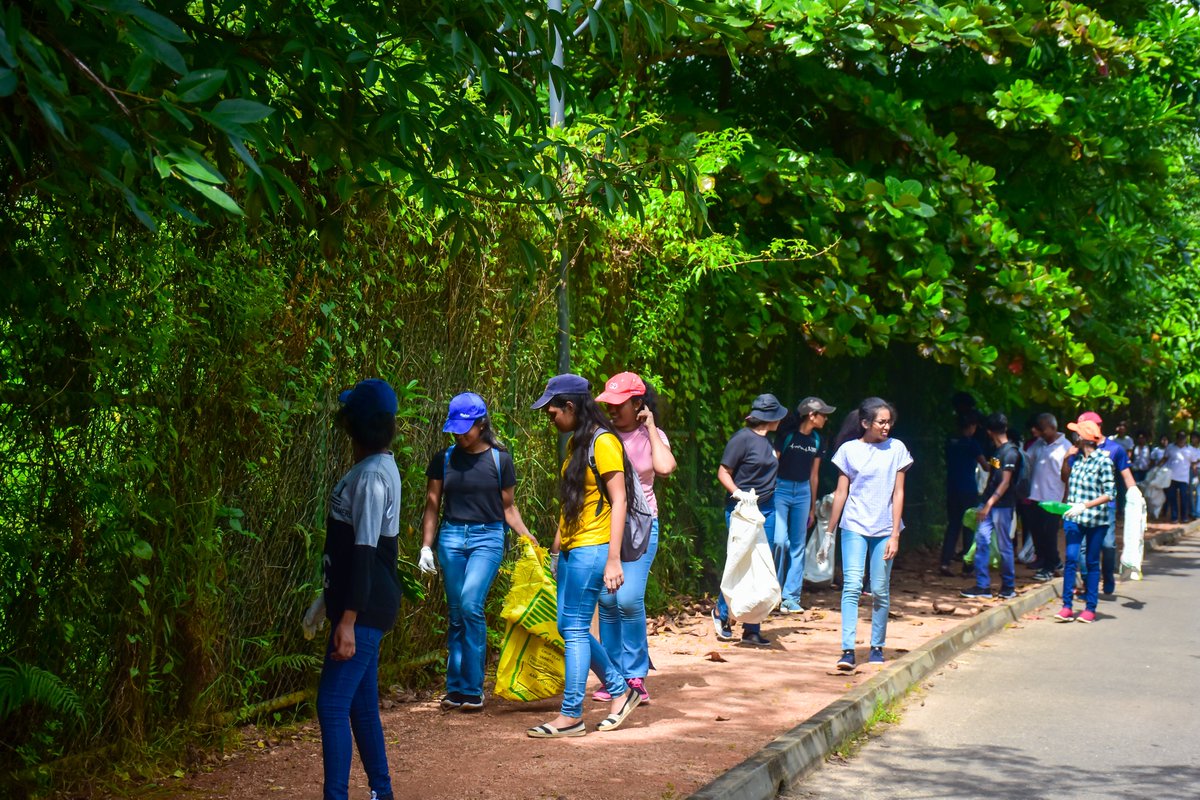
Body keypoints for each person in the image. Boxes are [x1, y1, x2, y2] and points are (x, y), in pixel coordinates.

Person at [527, 374, 641, 738]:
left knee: (574, 628)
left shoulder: (604, 442)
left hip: (594, 547)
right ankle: (620, 689)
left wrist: (613, 559)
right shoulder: (579, 442)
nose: (550, 418)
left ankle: (572, 713)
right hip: (574, 547)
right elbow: (574, 502)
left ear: (571, 407)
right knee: (567, 626)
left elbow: (619, 499)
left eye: (553, 411)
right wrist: (558, 546)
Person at [418, 392, 536, 712]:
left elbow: (508, 509)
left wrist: (528, 538)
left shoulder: (501, 460)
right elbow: (432, 506)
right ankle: (455, 689)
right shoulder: (443, 459)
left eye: (465, 428)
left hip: (488, 537)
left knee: (471, 603)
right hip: (451, 537)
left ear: (481, 424)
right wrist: (426, 546)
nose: (459, 434)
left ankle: (473, 689)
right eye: (454, 429)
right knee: (456, 611)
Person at [318, 379, 403, 800]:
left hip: (365, 608)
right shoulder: (374, 468)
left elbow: (366, 551)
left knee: (332, 704)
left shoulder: (372, 477)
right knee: (360, 706)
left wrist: (347, 619)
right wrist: (325, 603)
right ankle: (381, 793)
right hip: (362, 603)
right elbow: (348, 551)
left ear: (356, 425)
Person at [591, 372, 677, 704]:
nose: (612, 411)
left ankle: (636, 675)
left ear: (638, 404)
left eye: (619, 404)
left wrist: (651, 427)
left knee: (628, 599)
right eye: (608, 405)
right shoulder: (602, 437)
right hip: (604, 526)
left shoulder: (650, 435)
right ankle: (613, 677)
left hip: (642, 527)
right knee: (608, 601)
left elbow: (666, 467)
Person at [821, 397, 913, 672]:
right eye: (881, 422)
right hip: (854, 526)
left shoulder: (897, 448)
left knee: (880, 589)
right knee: (851, 585)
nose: (887, 427)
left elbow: (899, 492)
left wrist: (895, 533)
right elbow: (841, 492)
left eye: (889, 422)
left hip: (884, 527)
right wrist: (829, 532)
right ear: (865, 423)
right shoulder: (849, 450)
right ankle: (848, 650)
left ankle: (876, 646)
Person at [711, 393, 787, 647]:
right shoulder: (742, 439)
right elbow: (723, 472)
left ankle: (752, 627)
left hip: (767, 508)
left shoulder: (770, 441)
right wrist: (738, 494)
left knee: (764, 562)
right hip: (742, 510)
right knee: (739, 560)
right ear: (770, 417)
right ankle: (722, 613)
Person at [1061, 411, 1138, 596]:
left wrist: (1136, 496)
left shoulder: (1115, 449)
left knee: (1108, 545)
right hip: (1080, 509)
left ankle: (1108, 575)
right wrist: (1065, 458)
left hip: (1105, 508)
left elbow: (1126, 475)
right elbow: (1066, 478)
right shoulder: (1077, 450)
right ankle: (1088, 583)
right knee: (1082, 548)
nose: (1077, 435)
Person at [772, 397, 835, 612]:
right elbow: (773, 465)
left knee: (798, 544)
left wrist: (811, 507)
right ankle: (773, 594)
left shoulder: (818, 440)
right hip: (780, 489)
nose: (826, 418)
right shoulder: (786, 436)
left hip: (802, 492)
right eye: (823, 414)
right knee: (779, 541)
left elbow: (814, 476)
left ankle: (791, 598)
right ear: (811, 415)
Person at [1055, 419, 1115, 624]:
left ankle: (1090, 607)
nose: (1074, 438)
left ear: (1083, 438)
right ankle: (1066, 606)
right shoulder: (1077, 460)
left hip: (1096, 519)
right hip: (1074, 517)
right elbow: (1066, 479)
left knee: (1091, 561)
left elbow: (1110, 493)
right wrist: (1065, 459)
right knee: (1071, 558)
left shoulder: (1104, 461)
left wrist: (1085, 506)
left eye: (1076, 434)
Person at [961, 413, 1020, 600]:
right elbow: (994, 477)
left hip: (1001, 506)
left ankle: (1008, 587)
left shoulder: (1010, 452)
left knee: (1004, 546)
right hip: (989, 504)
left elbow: (1005, 482)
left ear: (988, 431)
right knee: (982, 541)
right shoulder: (997, 452)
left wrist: (988, 504)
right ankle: (983, 586)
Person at [1025, 413, 1071, 582]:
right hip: (1036, 497)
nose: (1039, 432)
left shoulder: (1066, 447)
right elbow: (1026, 460)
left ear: (1053, 427)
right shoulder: (1039, 444)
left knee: (1049, 535)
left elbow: (1068, 478)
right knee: (1037, 535)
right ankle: (1054, 563)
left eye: (1042, 429)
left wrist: (1064, 503)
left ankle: (1049, 569)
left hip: (1054, 500)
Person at [941, 414, 987, 576]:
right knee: (969, 526)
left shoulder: (950, 442)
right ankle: (967, 566)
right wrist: (998, 461)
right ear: (971, 426)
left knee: (953, 524)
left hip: (952, 487)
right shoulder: (972, 444)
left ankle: (945, 562)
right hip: (968, 489)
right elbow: (986, 466)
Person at [1162, 431, 1198, 523]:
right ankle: (1174, 517)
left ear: (1186, 439)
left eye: (1183, 438)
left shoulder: (1191, 450)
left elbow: (1193, 463)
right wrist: (1157, 468)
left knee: (1184, 497)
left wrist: (1196, 476)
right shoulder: (1170, 447)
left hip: (1184, 478)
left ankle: (1184, 517)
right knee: (1172, 497)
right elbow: (1164, 459)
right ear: (1177, 438)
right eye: (1180, 438)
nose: (1181, 440)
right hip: (1171, 477)